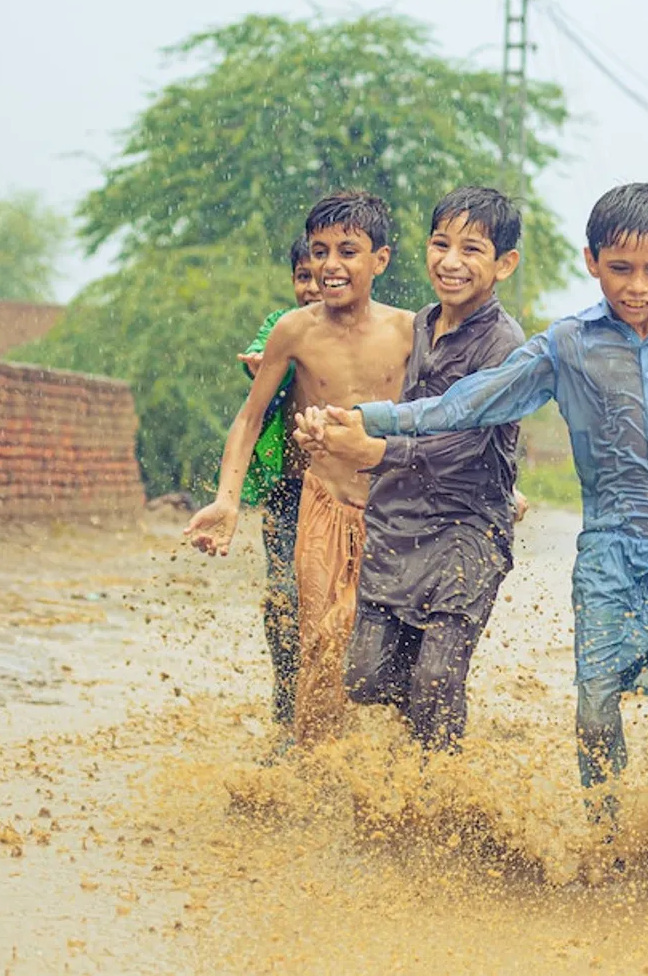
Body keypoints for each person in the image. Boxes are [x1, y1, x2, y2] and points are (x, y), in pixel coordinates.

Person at [300, 182, 648, 892]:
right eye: (621, 268)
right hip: (610, 546)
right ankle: (609, 829)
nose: (637, 286)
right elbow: (471, 402)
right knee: (593, 705)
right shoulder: (567, 344)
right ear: (592, 261)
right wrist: (373, 418)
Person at [297, 186, 526, 753]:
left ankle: (443, 800)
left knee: (436, 678)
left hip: (468, 529)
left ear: (504, 264)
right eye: (440, 244)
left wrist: (372, 454)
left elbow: (466, 445)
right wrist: (328, 427)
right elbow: (372, 391)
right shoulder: (417, 326)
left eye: (471, 250)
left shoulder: (505, 346)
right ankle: (416, 758)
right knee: (365, 678)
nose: (451, 262)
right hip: (397, 526)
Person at [185, 190, 415, 747]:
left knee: (394, 646)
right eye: (319, 252)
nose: (330, 266)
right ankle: (310, 767)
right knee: (321, 638)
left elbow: (452, 417)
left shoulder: (410, 330)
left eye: (347, 251)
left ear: (379, 260)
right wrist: (228, 499)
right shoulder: (294, 330)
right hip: (321, 505)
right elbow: (248, 419)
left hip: (396, 511)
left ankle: (394, 767)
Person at [236, 233, 319, 732]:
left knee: (339, 607)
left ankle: (330, 713)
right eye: (302, 276)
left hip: (352, 497)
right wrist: (259, 365)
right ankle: (287, 710)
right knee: (284, 599)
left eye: (321, 275)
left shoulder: (374, 331)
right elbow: (260, 355)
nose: (312, 287)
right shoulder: (282, 327)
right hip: (288, 491)